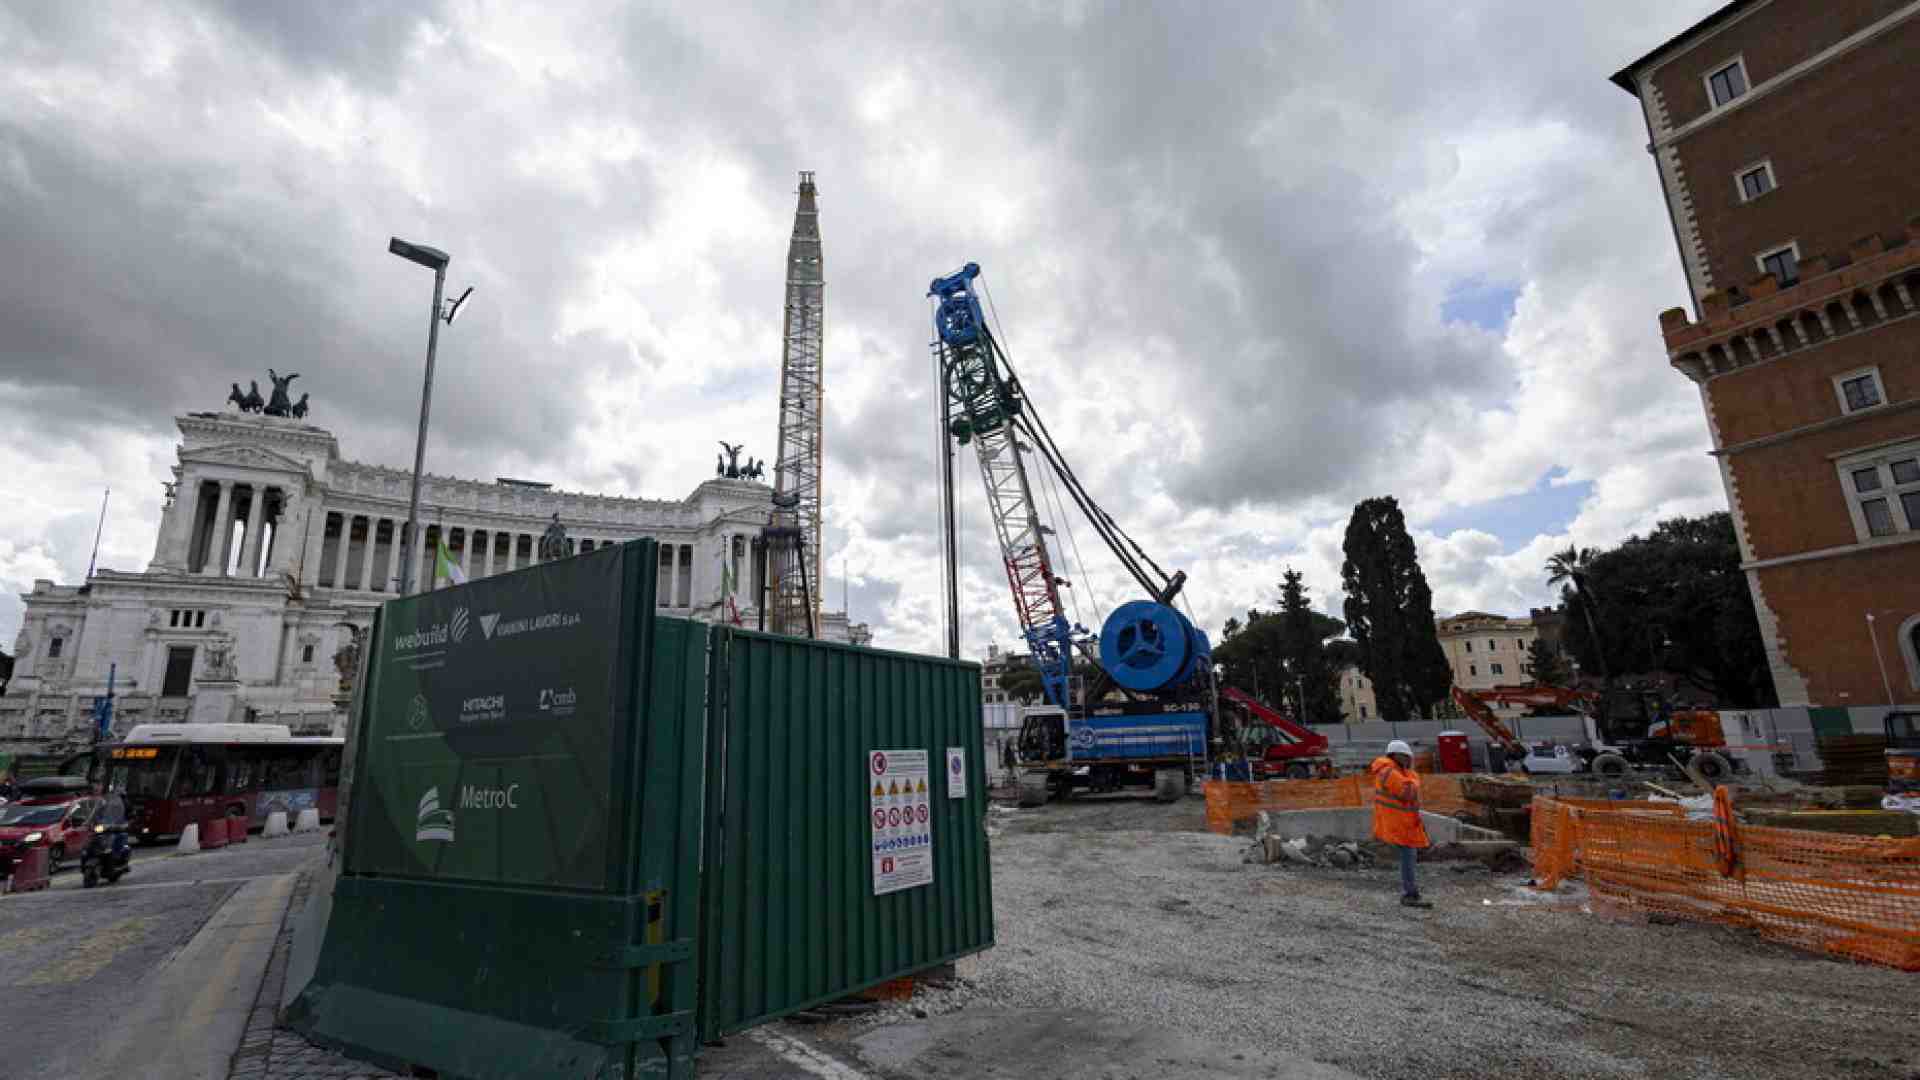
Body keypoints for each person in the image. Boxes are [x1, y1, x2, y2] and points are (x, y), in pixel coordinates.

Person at [1370, 740, 1431, 909]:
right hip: (1399, 824)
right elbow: (1408, 793)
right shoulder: (1389, 772)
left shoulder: (1396, 771)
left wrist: (1411, 777)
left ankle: (1411, 891)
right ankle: (1410, 894)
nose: (1409, 761)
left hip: (1404, 823)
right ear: (1396, 755)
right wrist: (1414, 779)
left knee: (1409, 857)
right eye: (1406, 757)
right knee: (1408, 858)